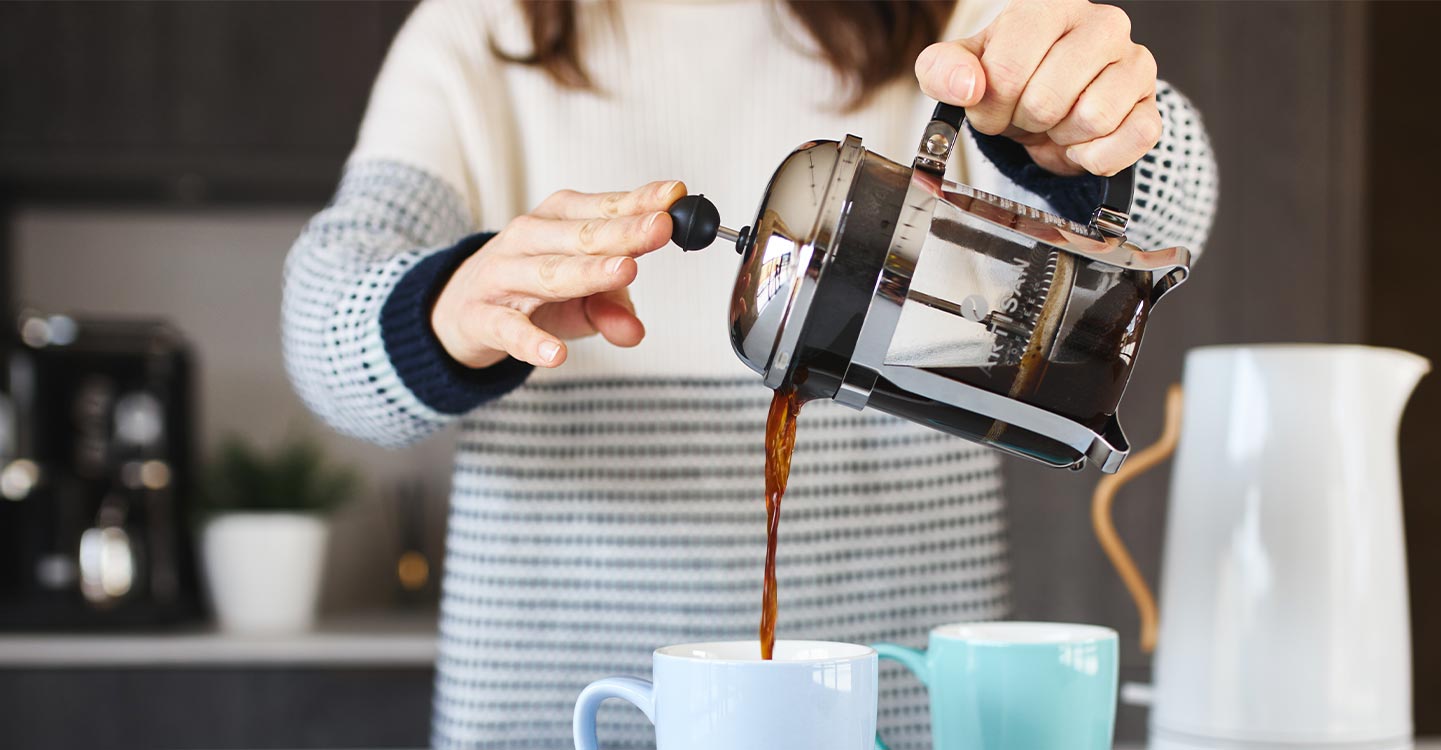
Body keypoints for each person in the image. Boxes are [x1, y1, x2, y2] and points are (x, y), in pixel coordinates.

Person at [282, 0, 1218, 746]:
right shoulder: (479, 31)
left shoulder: (951, 30)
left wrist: (1095, 127)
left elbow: (1171, 207)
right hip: (557, 716)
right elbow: (326, 333)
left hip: (894, 718)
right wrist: (450, 308)